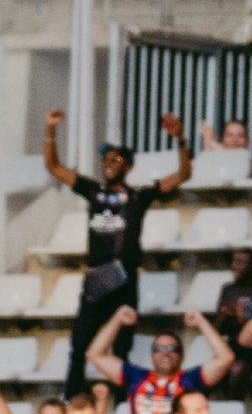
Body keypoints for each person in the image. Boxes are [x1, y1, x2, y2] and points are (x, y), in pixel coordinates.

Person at [47, 108, 190, 385]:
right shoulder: (92, 190)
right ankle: (73, 395)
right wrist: (50, 130)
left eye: (117, 159)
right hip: (97, 276)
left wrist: (181, 139)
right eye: (106, 159)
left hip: (124, 277)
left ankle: (123, 401)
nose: (109, 164)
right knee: (80, 344)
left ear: (128, 167)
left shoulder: (139, 196)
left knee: (121, 348)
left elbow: (183, 174)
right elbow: (54, 168)